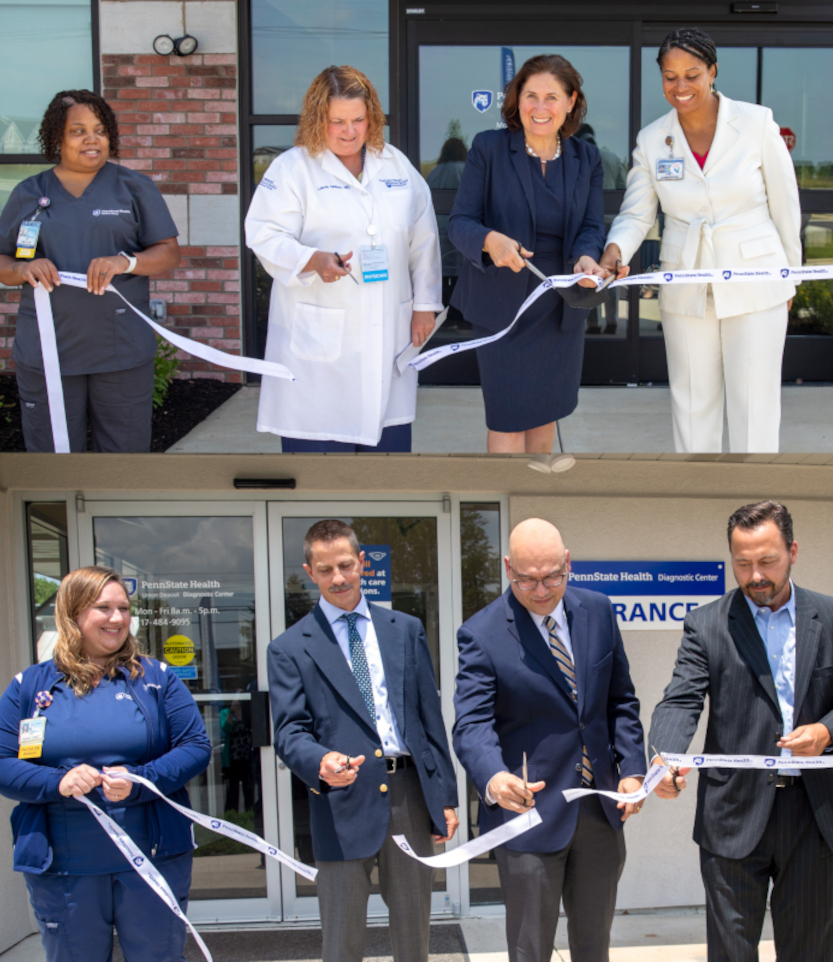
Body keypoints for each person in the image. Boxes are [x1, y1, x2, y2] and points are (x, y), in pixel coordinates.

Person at [649, 501, 833, 962]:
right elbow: (682, 697)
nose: (755, 576)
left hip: (813, 814)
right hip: (732, 814)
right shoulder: (707, 623)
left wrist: (827, 732)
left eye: (767, 561)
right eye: (742, 563)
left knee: (809, 951)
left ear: (792, 551)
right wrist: (664, 757)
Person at [0, 566, 211, 961]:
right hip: (66, 867)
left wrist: (141, 779)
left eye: (124, 607)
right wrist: (58, 781)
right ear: (73, 614)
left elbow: (195, 746)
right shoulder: (31, 687)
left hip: (152, 857)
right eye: (103, 607)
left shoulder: (156, 680)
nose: (118, 618)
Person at [452, 518, 646, 962]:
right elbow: (470, 724)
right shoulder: (481, 634)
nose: (541, 590)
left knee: (594, 945)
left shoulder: (598, 610)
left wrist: (633, 770)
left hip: (600, 812)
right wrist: (494, 777)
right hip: (530, 814)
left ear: (568, 563)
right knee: (530, 949)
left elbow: (620, 701)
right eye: (526, 580)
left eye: (552, 577)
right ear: (507, 569)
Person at [600, 29, 802, 453]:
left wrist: (790, 277)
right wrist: (614, 251)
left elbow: (786, 205)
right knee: (692, 403)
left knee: (755, 404)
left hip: (757, 279)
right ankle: (698, 495)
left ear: (712, 72)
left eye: (692, 74)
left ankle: (755, 501)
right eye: (670, 76)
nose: (681, 87)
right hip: (686, 281)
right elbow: (637, 212)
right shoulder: (652, 139)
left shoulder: (755, 122)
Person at [267, 520, 458, 962]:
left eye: (346, 565)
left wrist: (444, 795)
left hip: (409, 798)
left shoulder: (404, 629)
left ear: (362, 564)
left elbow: (429, 719)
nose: (337, 578)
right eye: (325, 569)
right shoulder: (290, 647)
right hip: (341, 804)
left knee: (414, 938)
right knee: (342, 941)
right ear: (308, 571)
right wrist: (320, 760)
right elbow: (289, 732)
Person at [246, 66, 443, 452]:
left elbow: (424, 241)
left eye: (358, 120)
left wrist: (424, 306)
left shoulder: (397, 167)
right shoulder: (292, 168)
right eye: (337, 121)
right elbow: (263, 234)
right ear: (318, 119)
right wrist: (311, 259)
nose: (349, 131)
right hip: (318, 342)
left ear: (373, 119)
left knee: (384, 473)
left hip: (388, 332)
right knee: (320, 468)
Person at [0, 89, 181, 453]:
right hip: (49, 350)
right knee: (54, 460)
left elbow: (169, 254)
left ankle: (123, 513)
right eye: (78, 131)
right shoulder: (29, 193)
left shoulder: (134, 188)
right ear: (56, 137)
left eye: (101, 130)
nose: (92, 139)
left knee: (124, 460)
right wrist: (23, 267)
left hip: (120, 350)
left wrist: (127, 261)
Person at [448, 55, 614, 454]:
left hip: (559, 309)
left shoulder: (586, 159)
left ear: (571, 102)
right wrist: (490, 241)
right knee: (507, 419)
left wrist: (588, 258)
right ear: (516, 99)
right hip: (502, 309)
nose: (540, 108)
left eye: (552, 97)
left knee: (544, 417)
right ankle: (507, 507)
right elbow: (460, 222)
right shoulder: (489, 148)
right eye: (531, 96)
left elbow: (591, 226)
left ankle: (534, 507)